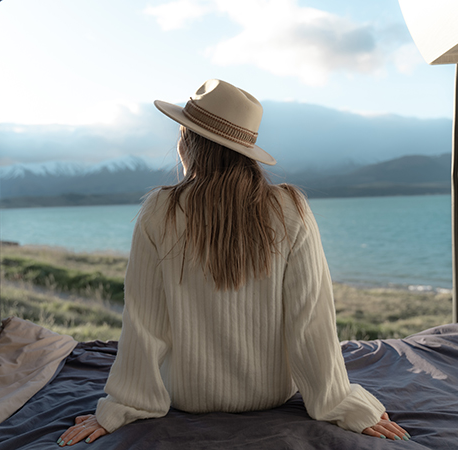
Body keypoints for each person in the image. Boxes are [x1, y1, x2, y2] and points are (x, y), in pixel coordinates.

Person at [57, 79, 409, 446]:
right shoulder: (291, 208)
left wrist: (122, 406)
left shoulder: (160, 210)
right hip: (272, 392)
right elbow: (311, 321)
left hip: (187, 395)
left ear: (189, 142)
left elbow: (144, 323)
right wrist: (342, 403)